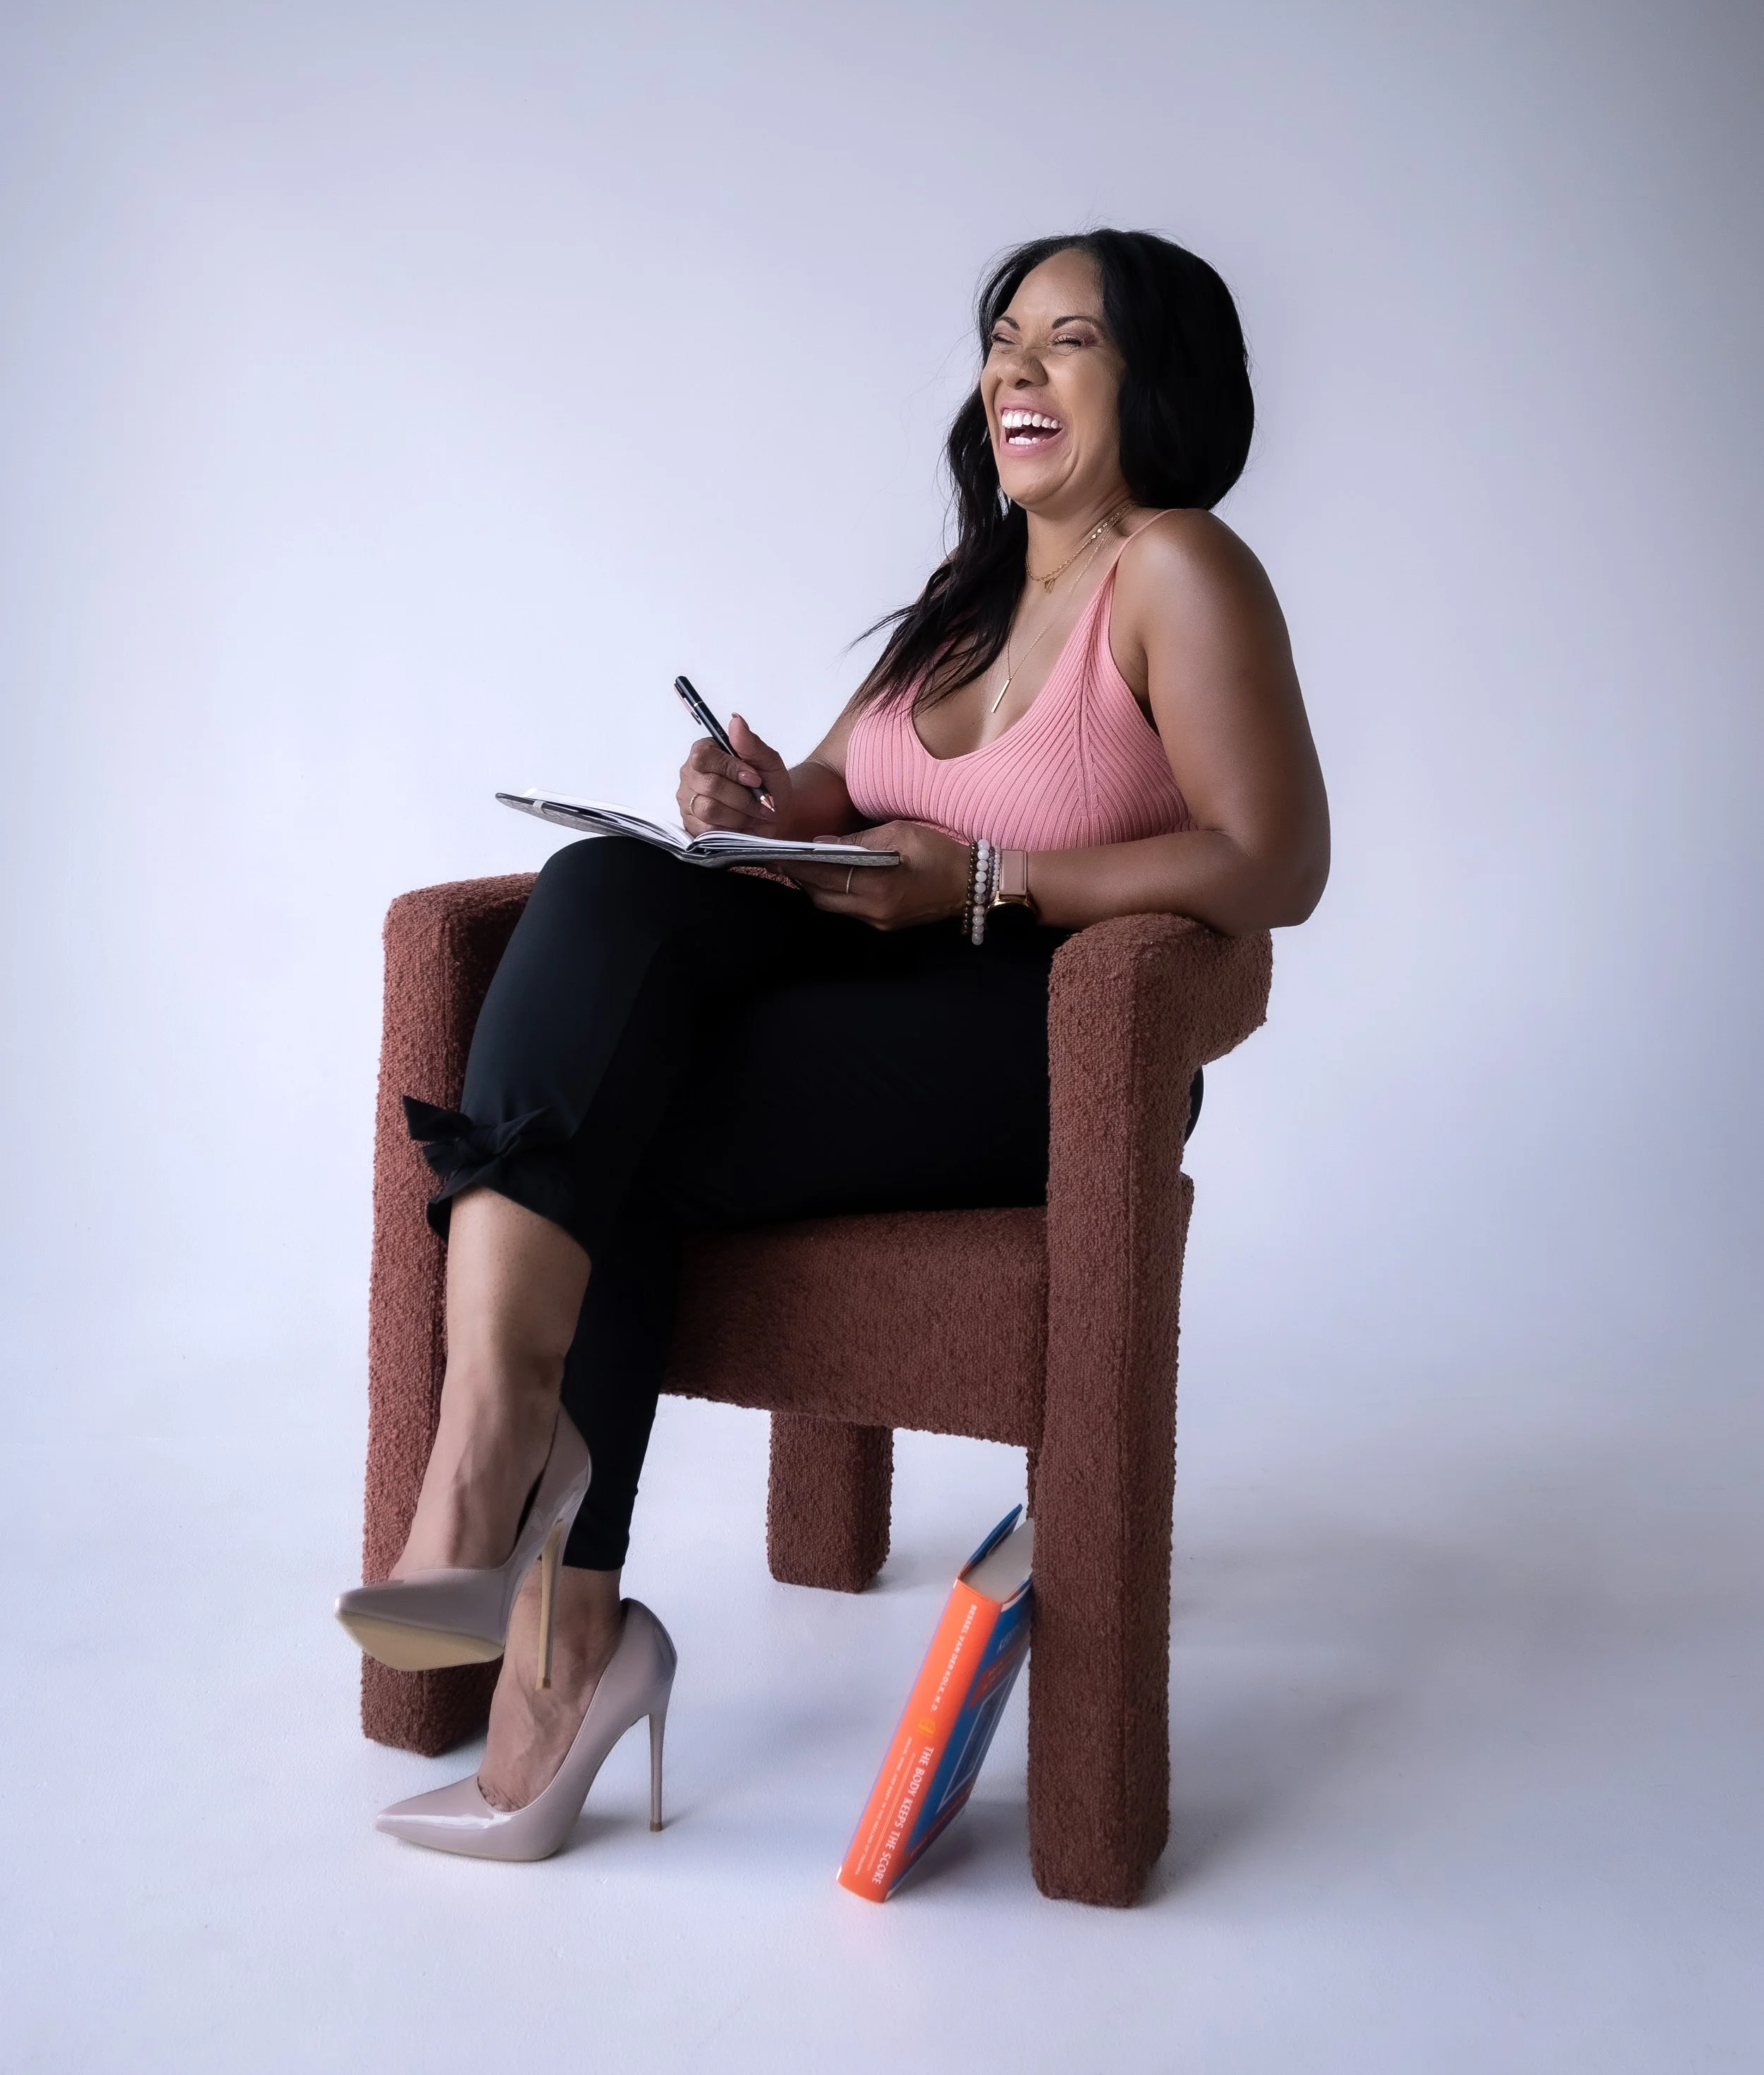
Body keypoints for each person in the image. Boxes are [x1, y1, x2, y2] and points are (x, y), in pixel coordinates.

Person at [336, 229, 1330, 1860]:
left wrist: (996, 881)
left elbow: (1271, 858)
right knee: (605, 884)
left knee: (612, 1126)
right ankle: (495, 1460)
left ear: (1158, 381)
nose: (1013, 370)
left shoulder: (1178, 567)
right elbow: (826, 805)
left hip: (1035, 1045)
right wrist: (742, 806)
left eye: (1066, 341)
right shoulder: (966, 598)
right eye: (1002, 337)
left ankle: (549, 1631)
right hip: (858, 996)